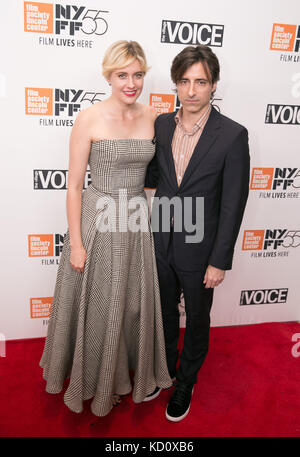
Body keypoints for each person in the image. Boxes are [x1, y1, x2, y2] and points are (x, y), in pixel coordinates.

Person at [40, 40, 172, 417]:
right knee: (99, 304)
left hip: (135, 219)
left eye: (138, 75)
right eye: (122, 75)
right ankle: (96, 384)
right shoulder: (89, 118)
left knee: (130, 305)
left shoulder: (153, 116)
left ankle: (122, 378)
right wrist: (77, 244)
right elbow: (74, 185)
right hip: (98, 220)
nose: (131, 83)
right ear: (109, 76)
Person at [145, 45, 250, 422]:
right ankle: (166, 371)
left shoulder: (233, 136)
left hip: (201, 251)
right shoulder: (161, 124)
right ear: (176, 83)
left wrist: (219, 261)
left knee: (198, 320)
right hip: (162, 242)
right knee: (166, 314)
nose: (191, 91)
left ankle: (187, 381)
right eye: (185, 81)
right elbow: (155, 178)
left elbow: (233, 203)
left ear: (213, 85)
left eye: (200, 82)